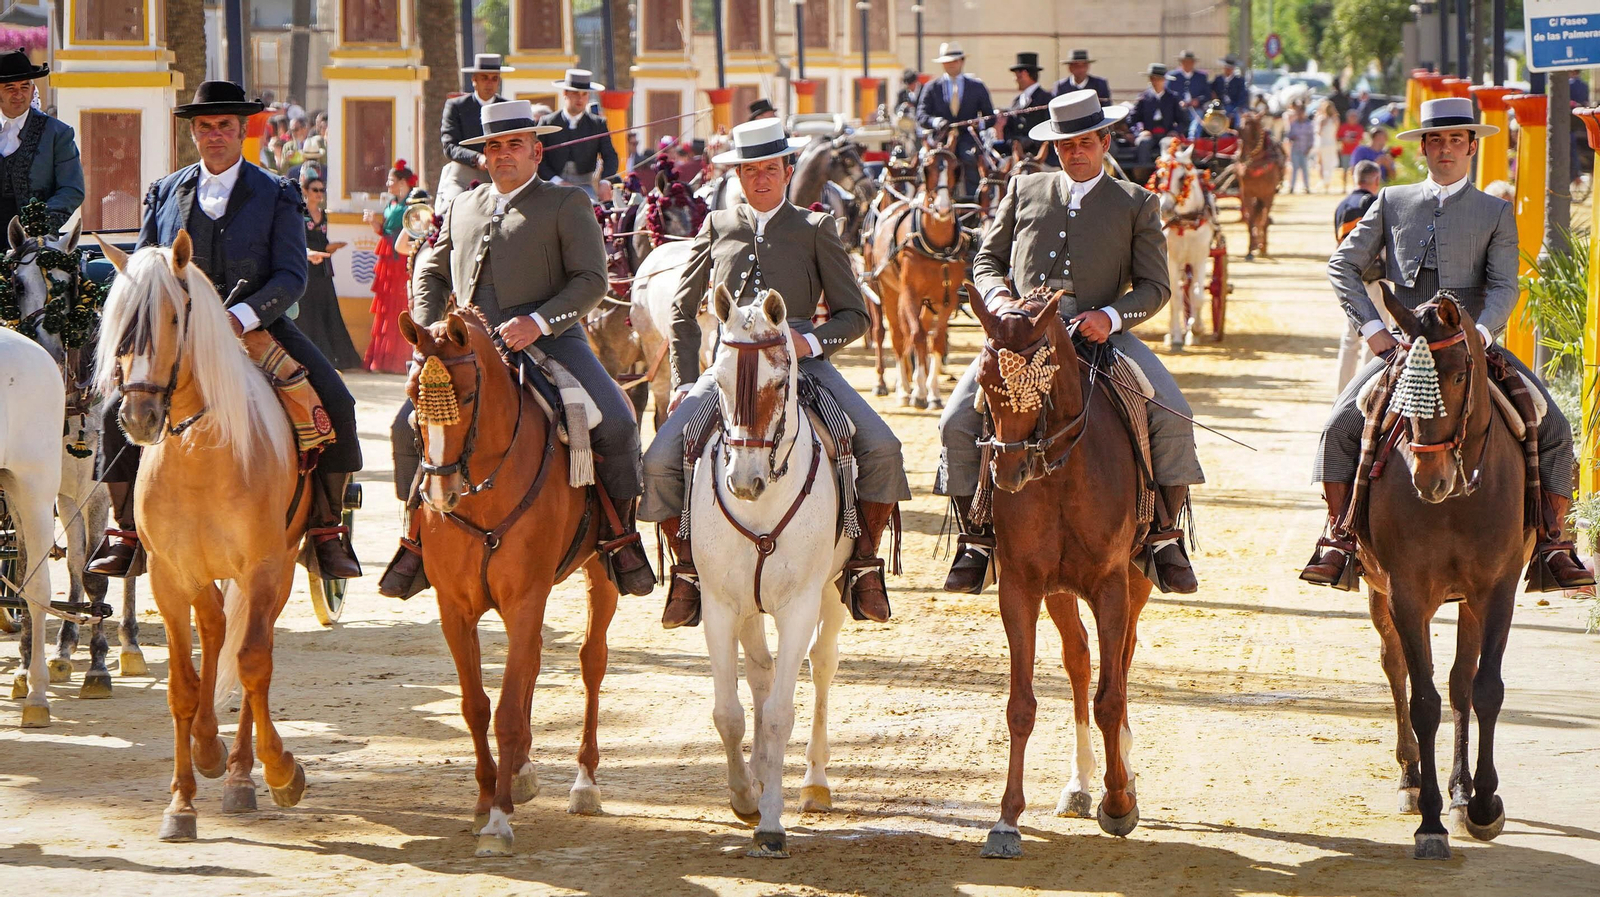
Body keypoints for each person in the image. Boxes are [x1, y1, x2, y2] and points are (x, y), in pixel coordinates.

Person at [1304, 96, 1593, 592]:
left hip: (1474, 349)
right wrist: (1372, 329)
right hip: (1405, 351)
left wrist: (1480, 335)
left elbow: (1504, 285)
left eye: (1456, 139)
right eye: (1435, 139)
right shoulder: (1391, 201)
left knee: (1554, 427)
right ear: (1423, 148)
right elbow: (1342, 264)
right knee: (1339, 426)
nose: (1445, 149)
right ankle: (1340, 537)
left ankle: (1553, 542)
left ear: (1472, 147)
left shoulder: (1495, 211)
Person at [640, 118, 911, 629]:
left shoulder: (816, 228)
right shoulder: (717, 225)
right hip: (732, 364)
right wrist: (683, 379)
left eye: (770, 169)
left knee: (882, 446)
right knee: (657, 460)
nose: (760, 178)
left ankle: (863, 565)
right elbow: (681, 311)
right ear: (738, 175)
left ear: (787, 172)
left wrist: (810, 342)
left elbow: (855, 315)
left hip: (802, 359)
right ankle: (687, 570)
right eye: (750, 170)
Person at [87, 80, 362, 580]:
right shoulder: (164, 191)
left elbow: (291, 275)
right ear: (194, 133)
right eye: (205, 126)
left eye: (224, 126)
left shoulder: (278, 192)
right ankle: (126, 532)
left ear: (241, 131)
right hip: (175, 335)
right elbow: (145, 266)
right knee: (113, 412)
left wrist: (238, 318)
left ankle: (326, 530)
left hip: (256, 325)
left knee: (336, 402)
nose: (214, 134)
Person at [386, 98, 656, 597]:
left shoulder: (565, 203)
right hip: (466, 348)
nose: (504, 153)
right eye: (495, 146)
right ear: (483, 154)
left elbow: (592, 280)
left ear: (536, 151)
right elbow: (432, 272)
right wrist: (426, 336)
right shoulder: (462, 206)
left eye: (515, 144)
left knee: (618, 423)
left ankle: (620, 539)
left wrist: (538, 321)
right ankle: (416, 540)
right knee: (405, 425)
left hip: (552, 341)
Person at [939, 89, 1203, 595]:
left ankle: (1164, 537)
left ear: (1105, 142)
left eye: (1085, 142)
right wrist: (1000, 301)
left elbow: (1156, 287)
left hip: (1100, 336)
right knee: (955, 421)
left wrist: (1110, 316)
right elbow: (987, 261)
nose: (1075, 152)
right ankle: (977, 537)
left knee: (1173, 415)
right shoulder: (1024, 189)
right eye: (1066, 145)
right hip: (1020, 337)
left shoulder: (1137, 202)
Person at [0, 48, 83, 230]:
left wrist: (42, 221)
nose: (19, 94)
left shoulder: (57, 134)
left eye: (24, 87)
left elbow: (71, 189)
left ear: (32, 90)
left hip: (36, 240)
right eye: (10, 88)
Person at [297, 164, 360, 370]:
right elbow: (299, 240)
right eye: (315, 190)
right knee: (308, 313)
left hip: (323, 269)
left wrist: (332, 247)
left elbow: (322, 241)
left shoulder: (324, 215)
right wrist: (317, 250)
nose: (319, 194)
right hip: (307, 268)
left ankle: (336, 357)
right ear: (305, 191)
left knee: (328, 310)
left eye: (321, 190)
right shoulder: (299, 213)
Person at [1331, 160, 1385, 393]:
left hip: (1350, 279)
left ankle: (1342, 393)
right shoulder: (1375, 204)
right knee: (1377, 334)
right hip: (1375, 278)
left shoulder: (1341, 206)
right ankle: (1365, 391)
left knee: (1350, 338)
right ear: (1376, 180)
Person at [915, 41, 993, 196]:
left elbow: (990, 116)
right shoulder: (932, 87)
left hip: (968, 139)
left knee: (970, 159)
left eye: (955, 61)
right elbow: (921, 115)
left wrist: (978, 124)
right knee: (929, 166)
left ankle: (973, 200)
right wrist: (936, 122)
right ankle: (929, 198)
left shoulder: (977, 86)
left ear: (962, 61)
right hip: (940, 140)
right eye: (947, 62)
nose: (951, 65)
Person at [361, 159, 416, 374]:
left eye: (391, 180)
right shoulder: (392, 203)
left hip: (401, 258)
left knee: (400, 303)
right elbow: (384, 231)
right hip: (387, 256)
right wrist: (373, 222)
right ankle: (383, 358)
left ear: (402, 182)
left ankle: (399, 358)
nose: (387, 184)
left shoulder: (412, 204)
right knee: (386, 304)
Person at [438, 53, 511, 206]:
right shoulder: (456, 106)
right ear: (474, 80)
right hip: (463, 176)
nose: (489, 83)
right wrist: (477, 158)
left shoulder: (507, 108)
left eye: (494, 78)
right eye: (484, 78)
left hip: (499, 177)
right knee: (449, 210)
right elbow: (449, 146)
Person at [538, 68, 618, 202]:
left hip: (585, 187)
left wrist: (605, 181)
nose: (580, 98)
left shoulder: (597, 124)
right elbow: (538, 159)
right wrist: (556, 181)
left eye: (584, 94)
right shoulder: (547, 122)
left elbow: (610, 156)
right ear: (565, 93)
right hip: (551, 185)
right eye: (575, 93)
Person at [1130, 63, 1188, 166]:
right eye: (1153, 78)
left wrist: (1175, 131)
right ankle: (1143, 172)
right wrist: (1140, 131)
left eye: (1159, 79)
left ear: (1164, 80)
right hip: (1148, 133)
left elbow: (1183, 120)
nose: (1155, 82)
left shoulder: (1172, 98)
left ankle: (1167, 173)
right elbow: (1132, 119)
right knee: (1143, 143)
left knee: (1169, 143)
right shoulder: (1143, 98)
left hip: (1167, 133)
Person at [999, 52, 1052, 157]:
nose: (1015, 79)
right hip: (1016, 155)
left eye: (1016, 76)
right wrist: (1013, 142)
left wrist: (1030, 142)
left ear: (1024, 74)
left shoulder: (1046, 99)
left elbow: (1050, 127)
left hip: (1040, 156)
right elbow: (1009, 128)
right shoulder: (1016, 101)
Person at [1167, 50, 1210, 139]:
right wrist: (1178, 102)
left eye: (1190, 62)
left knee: (1196, 123)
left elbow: (1207, 94)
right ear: (1181, 63)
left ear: (1193, 63)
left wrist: (1198, 100)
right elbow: (1168, 94)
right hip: (1178, 109)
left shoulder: (1201, 77)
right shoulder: (1172, 76)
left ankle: (1192, 139)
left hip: (1196, 109)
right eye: (1184, 62)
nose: (1187, 64)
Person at [1284, 103, 1313, 193]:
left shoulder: (1308, 124)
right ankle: (1292, 187)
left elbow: (1311, 138)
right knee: (1294, 169)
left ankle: (1307, 187)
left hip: (1304, 150)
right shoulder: (1293, 124)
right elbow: (1288, 136)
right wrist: (1292, 138)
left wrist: (1309, 148)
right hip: (1295, 149)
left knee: (1305, 169)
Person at [1312, 98, 1340, 193]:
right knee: (1329, 162)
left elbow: (1318, 132)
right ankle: (1327, 181)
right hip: (1332, 143)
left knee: (1321, 163)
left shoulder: (1321, 119)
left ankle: (1324, 180)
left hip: (1323, 143)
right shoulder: (1335, 119)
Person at [1210, 56, 1247, 126]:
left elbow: (1242, 96)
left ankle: (1238, 130)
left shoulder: (1239, 81)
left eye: (1230, 68)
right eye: (1226, 67)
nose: (1228, 69)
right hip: (1220, 106)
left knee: (1238, 117)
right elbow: (1211, 90)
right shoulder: (1218, 79)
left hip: (1234, 105)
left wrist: (1236, 107)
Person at [1336, 109, 1365, 190]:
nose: (1353, 118)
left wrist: (1352, 140)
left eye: (1355, 117)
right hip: (1345, 151)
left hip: (1355, 152)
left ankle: (1355, 186)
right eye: (1351, 116)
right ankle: (1344, 187)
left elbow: (1361, 138)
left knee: (1355, 170)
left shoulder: (1359, 127)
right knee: (1345, 170)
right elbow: (1338, 137)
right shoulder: (1343, 127)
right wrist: (1344, 140)